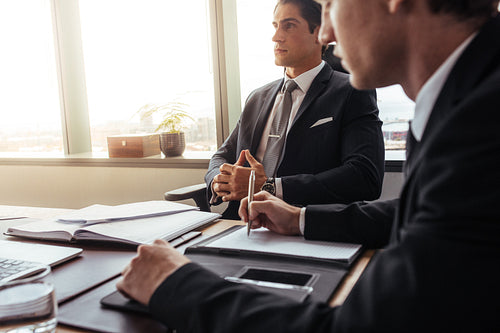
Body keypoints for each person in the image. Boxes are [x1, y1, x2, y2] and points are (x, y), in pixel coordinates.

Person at [117, 0, 500, 331]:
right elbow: (420, 212)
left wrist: (176, 285)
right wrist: (300, 218)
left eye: (332, 4)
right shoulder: (463, 104)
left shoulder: (479, 126)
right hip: (246, 230)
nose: (328, 32)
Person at [206, 0, 384, 219]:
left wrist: (270, 187)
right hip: (239, 223)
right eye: (275, 26)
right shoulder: (257, 97)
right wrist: (219, 180)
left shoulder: (352, 91)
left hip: (303, 226)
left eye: (288, 26)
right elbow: (222, 155)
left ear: (319, 32)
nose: (276, 37)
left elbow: (364, 177)